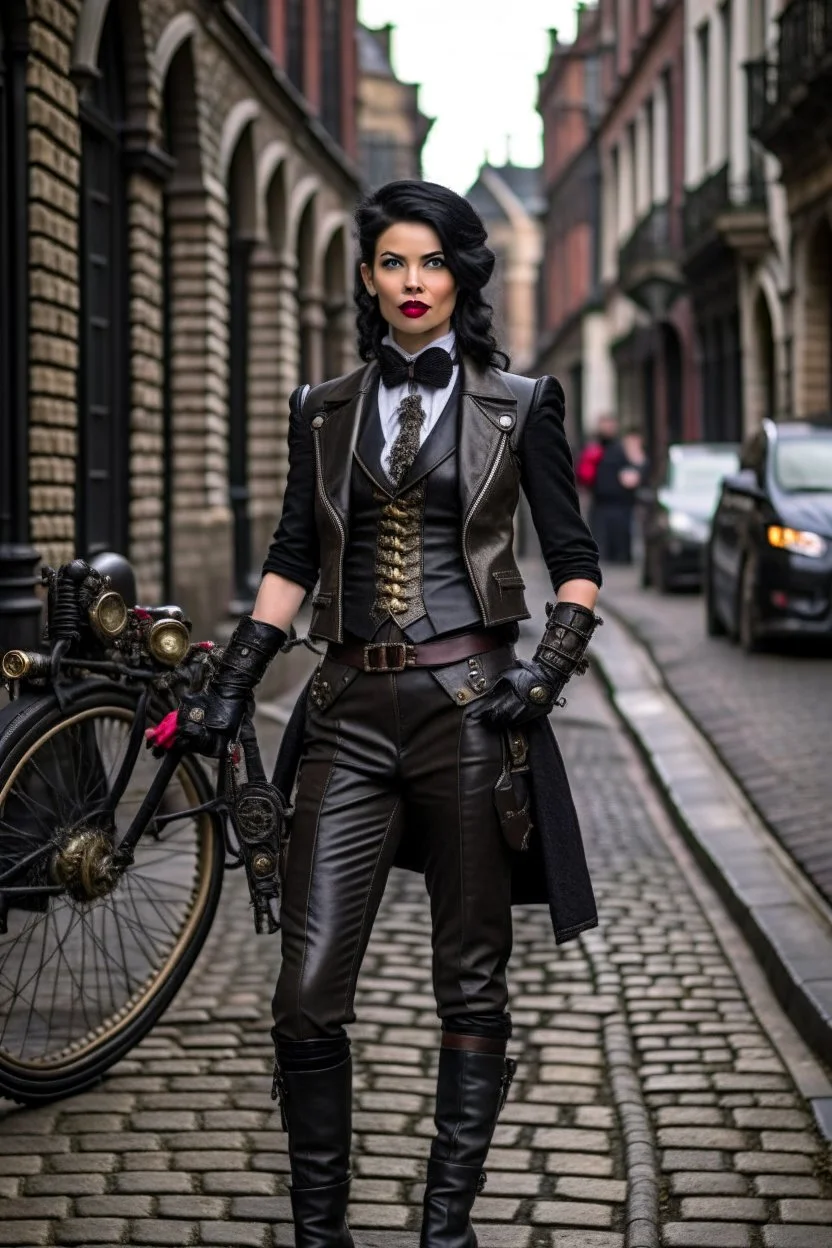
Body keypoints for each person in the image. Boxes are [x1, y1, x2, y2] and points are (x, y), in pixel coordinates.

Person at [151, 181, 602, 1248]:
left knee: (469, 981)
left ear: (461, 278)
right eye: (393, 263)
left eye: (432, 263)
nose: (412, 282)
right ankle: (322, 1235)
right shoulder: (322, 407)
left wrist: (541, 680)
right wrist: (234, 677)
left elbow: (573, 564)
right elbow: (292, 558)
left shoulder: (520, 402)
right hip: (346, 713)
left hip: (470, 713)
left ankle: (444, 1230)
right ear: (367, 277)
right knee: (304, 995)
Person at [591, 423, 648, 565]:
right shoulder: (621, 454)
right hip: (615, 503)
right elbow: (630, 480)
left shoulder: (616, 452)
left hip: (614, 503)